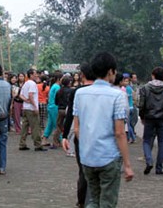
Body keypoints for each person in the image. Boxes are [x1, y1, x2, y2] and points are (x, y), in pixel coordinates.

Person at [73, 52, 134, 207]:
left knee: (93, 199)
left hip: (87, 157)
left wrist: (86, 147)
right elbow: (119, 132)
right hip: (108, 156)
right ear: (110, 71)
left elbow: (77, 128)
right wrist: (127, 164)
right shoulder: (117, 96)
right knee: (107, 202)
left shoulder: (80, 94)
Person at [62, 62, 96, 208]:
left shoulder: (77, 92)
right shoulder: (104, 91)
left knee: (83, 170)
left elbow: (70, 114)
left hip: (80, 134)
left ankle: (82, 200)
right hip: (98, 135)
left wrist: (64, 135)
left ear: (82, 75)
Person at [139, 67, 163, 175]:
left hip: (149, 118)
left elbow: (142, 105)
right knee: (162, 142)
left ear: (153, 75)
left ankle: (149, 160)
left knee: (146, 140)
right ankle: (159, 168)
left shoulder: (145, 88)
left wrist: (142, 116)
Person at [19, 68, 46, 151]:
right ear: (31, 75)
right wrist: (35, 106)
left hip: (25, 108)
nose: (36, 75)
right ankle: (38, 144)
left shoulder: (26, 83)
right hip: (31, 109)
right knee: (35, 127)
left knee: (24, 127)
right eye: (35, 74)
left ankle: (22, 144)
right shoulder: (32, 84)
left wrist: (26, 100)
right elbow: (31, 95)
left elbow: (20, 95)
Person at [52, 75, 73, 148]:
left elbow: (56, 102)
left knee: (58, 126)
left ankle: (55, 142)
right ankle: (69, 142)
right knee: (69, 126)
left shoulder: (59, 91)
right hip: (68, 110)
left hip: (60, 109)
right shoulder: (71, 91)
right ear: (69, 83)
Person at [43, 71, 61, 147]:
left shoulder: (54, 86)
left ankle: (44, 139)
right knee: (57, 124)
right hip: (55, 107)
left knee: (50, 124)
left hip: (51, 106)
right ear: (59, 79)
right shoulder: (57, 87)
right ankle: (60, 140)